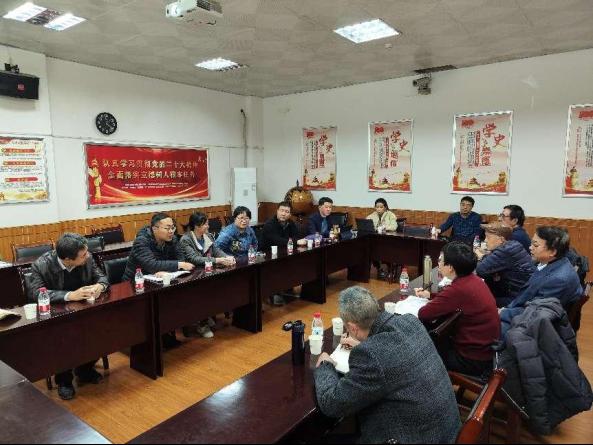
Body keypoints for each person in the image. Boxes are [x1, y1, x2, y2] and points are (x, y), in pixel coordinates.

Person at [315, 286, 461, 444]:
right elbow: (393, 352)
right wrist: (364, 344)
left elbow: (332, 404)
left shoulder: (371, 355)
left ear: (352, 328)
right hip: (448, 432)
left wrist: (325, 365)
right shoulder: (410, 322)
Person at [28, 233, 109, 401]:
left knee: (102, 327)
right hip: (56, 315)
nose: (88, 256)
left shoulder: (87, 258)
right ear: (67, 259)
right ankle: (64, 380)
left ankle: (85, 369)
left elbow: (102, 277)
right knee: (62, 337)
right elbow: (36, 293)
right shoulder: (41, 265)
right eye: (83, 255)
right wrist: (69, 295)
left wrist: (100, 286)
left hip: (84, 310)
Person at [416, 242, 500, 377]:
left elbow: (424, 313)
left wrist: (433, 299)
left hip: (471, 360)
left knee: (421, 348)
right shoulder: (474, 279)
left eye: (441, 260)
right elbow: (453, 299)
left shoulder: (459, 288)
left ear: (450, 267)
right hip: (486, 352)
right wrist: (430, 296)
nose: (438, 264)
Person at [123, 213, 195, 348]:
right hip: (134, 285)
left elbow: (181, 258)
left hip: (158, 281)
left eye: (173, 227)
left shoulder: (172, 239)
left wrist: (171, 267)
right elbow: (152, 265)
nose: (171, 231)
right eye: (167, 228)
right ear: (155, 229)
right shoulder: (141, 241)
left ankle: (167, 333)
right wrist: (178, 265)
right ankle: (153, 339)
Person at [500, 226, 582, 339]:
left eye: (535, 245)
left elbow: (534, 313)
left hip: (537, 328)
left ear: (552, 251)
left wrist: (502, 312)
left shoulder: (558, 280)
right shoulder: (554, 262)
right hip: (528, 311)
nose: (530, 247)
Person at [178, 212, 235, 338]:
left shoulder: (207, 236)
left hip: (207, 272)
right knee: (203, 293)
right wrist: (218, 260)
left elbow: (216, 250)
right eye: (205, 224)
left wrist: (226, 257)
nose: (208, 226)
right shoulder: (186, 239)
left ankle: (207, 315)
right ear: (196, 226)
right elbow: (194, 259)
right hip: (191, 275)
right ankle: (202, 324)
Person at [475, 223, 536, 308]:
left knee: (476, 299)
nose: (485, 240)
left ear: (501, 240)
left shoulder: (505, 251)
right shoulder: (513, 244)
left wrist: (480, 256)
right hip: (524, 293)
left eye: (488, 237)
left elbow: (480, 270)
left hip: (517, 299)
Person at [261, 201, 301, 306]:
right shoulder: (269, 224)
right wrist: (293, 242)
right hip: (268, 256)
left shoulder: (290, 223)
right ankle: (274, 292)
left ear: (290, 214)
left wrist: (293, 241)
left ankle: (287, 289)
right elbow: (276, 240)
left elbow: (296, 236)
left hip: (284, 253)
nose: (283, 214)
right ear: (277, 211)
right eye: (281, 211)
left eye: (287, 212)